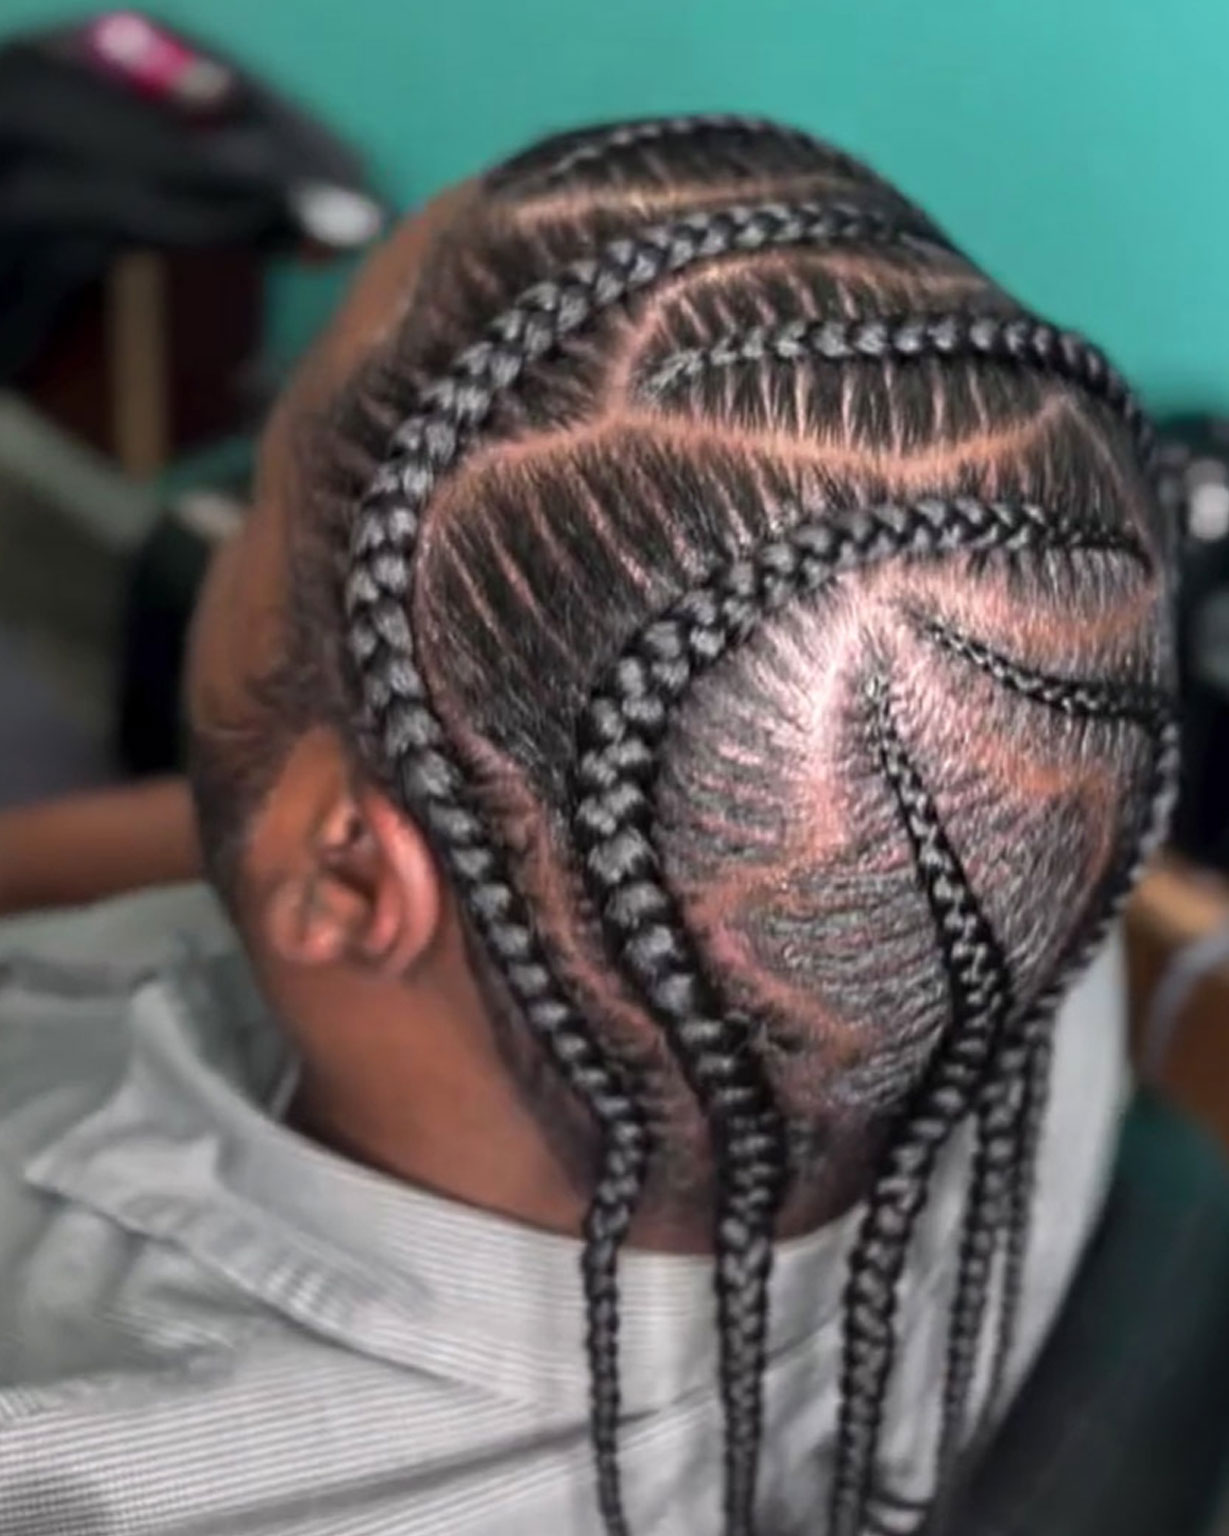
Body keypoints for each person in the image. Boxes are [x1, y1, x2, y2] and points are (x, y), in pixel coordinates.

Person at [0, 115, 1174, 1536]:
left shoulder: (76, 1453)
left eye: (262, 495)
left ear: (350, 874)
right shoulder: (986, 839)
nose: (235, 518)